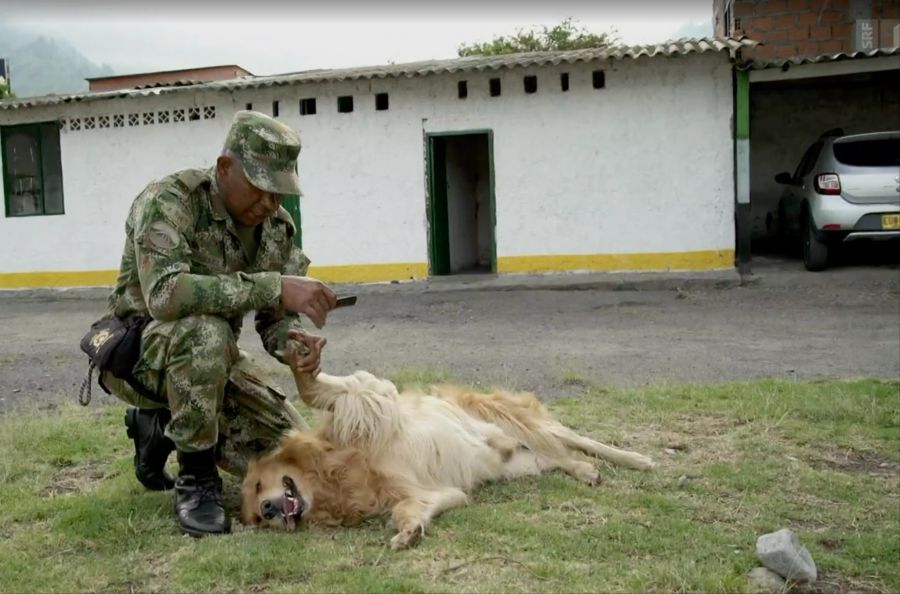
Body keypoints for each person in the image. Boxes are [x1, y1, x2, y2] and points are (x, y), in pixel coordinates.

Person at [94, 110, 336, 537]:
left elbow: (274, 318)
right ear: (225, 168)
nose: (269, 204)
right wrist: (273, 287)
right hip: (140, 352)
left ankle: (158, 427)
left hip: (211, 363)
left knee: (291, 449)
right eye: (260, 188)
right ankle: (196, 479)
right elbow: (165, 296)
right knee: (206, 331)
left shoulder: (277, 229)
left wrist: (293, 345)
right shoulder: (170, 200)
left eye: (279, 193)